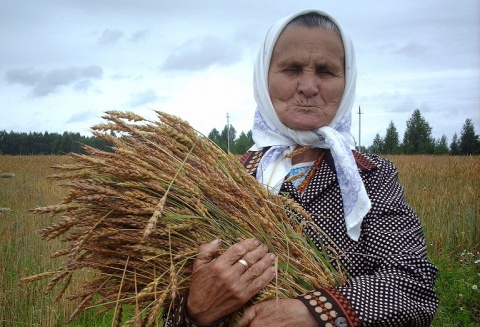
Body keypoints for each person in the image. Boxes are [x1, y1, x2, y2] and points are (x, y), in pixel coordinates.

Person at [170, 9, 438, 327]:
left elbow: (413, 285)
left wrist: (317, 312)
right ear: (264, 77)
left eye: (325, 71)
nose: (308, 86)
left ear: (347, 81)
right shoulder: (223, 178)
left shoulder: (371, 176)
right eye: (292, 69)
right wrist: (195, 312)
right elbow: (168, 304)